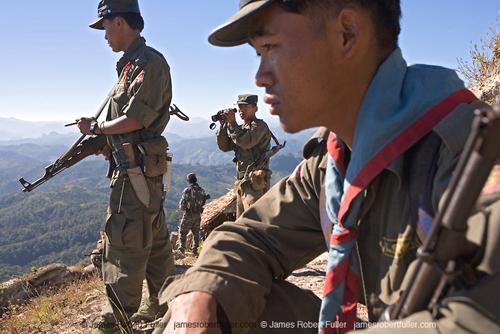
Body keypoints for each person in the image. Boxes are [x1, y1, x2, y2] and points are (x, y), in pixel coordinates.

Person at [155, 1, 500, 334]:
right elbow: (251, 235)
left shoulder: (468, 155)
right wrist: (199, 295)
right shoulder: (334, 164)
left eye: (271, 47)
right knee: (213, 306)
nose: (260, 77)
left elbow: (480, 319)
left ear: (347, 34)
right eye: (258, 54)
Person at [76, 1, 176, 333]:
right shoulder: (132, 64)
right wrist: (111, 143)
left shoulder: (146, 62)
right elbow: (135, 125)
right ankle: (164, 303)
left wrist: (97, 129)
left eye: (104, 26)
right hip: (141, 169)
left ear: (118, 21)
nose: (104, 35)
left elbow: (136, 117)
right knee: (155, 238)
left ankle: (113, 323)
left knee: (124, 244)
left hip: (136, 175)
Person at [216, 94, 273, 218]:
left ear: (255, 109)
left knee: (253, 221)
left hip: (255, 183)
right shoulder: (240, 129)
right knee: (241, 222)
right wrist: (223, 127)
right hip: (242, 182)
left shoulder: (259, 126)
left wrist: (232, 124)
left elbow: (246, 142)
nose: (242, 110)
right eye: (240, 107)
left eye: (246, 107)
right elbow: (225, 146)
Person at [178, 173, 207, 255]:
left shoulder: (187, 190)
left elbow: (183, 204)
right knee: (196, 233)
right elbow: (203, 203)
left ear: (189, 181)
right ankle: (195, 250)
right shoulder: (202, 191)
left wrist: (184, 208)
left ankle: (182, 250)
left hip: (188, 214)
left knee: (183, 232)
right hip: (197, 215)